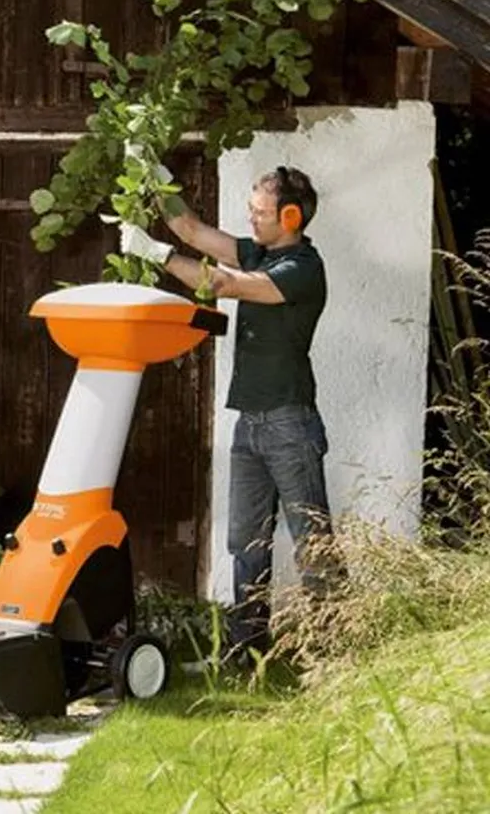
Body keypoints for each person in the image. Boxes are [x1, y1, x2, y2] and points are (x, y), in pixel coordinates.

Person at [120, 163, 336, 659]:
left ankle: (334, 654)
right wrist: (151, 170)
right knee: (246, 544)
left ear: (291, 216)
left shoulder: (303, 268)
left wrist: (158, 255)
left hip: (290, 422)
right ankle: (247, 652)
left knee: (313, 544)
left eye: (261, 213)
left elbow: (226, 285)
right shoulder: (258, 250)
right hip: (250, 423)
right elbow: (191, 228)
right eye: (252, 211)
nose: (252, 219)